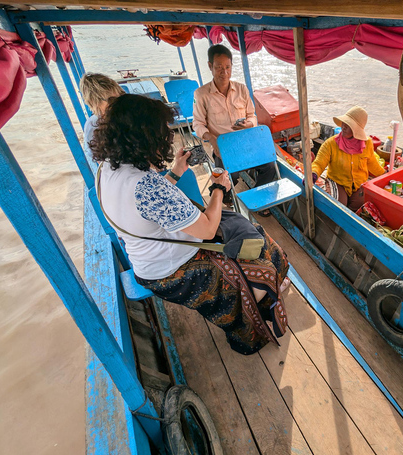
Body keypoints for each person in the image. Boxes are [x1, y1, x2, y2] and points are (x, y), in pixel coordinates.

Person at [90, 94, 289, 355]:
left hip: (148, 260)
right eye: (162, 133)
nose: (168, 138)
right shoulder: (147, 185)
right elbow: (206, 228)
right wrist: (219, 188)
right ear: (143, 138)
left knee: (246, 235)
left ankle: (266, 290)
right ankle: (251, 319)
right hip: (170, 271)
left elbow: (145, 209)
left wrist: (175, 172)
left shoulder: (107, 169)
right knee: (254, 262)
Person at [193, 44, 277, 197]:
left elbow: (252, 115)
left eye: (228, 67)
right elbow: (198, 124)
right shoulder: (201, 94)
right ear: (210, 66)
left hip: (246, 142)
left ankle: (256, 198)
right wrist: (212, 139)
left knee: (269, 167)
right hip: (223, 147)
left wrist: (249, 123)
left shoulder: (242, 89)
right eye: (219, 67)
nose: (224, 72)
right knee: (227, 177)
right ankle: (227, 200)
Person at [311, 106, 385, 211]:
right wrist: (313, 174)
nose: (343, 127)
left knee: (360, 207)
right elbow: (319, 163)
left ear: (356, 130)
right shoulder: (331, 143)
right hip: (338, 182)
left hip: (359, 184)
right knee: (339, 205)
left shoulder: (367, 143)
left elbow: (372, 163)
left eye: (348, 125)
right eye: (343, 123)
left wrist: (385, 175)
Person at [79, 72, 125, 163]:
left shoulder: (125, 115)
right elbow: (99, 159)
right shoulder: (94, 125)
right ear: (95, 103)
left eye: (122, 97)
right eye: (112, 101)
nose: (120, 104)